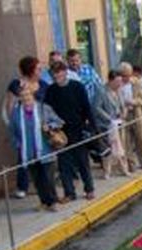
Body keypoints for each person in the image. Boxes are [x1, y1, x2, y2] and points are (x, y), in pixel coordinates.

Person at [44, 61, 96, 202]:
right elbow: (47, 110)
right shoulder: (51, 90)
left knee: (82, 161)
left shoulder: (77, 87)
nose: (57, 76)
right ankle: (69, 192)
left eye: (59, 72)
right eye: (54, 73)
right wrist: (49, 127)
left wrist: (91, 127)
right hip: (60, 131)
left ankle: (89, 189)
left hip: (78, 129)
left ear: (65, 72)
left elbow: (87, 107)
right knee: (64, 163)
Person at [8, 84, 61, 213]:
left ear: (32, 95)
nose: (25, 98)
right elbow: (12, 131)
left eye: (27, 95)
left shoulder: (43, 109)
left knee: (48, 178)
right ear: (19, 98)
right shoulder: (16, 113)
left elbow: (59, 121)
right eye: (22, 96)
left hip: (45, 149)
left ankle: (52, 201)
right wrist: (18, 145)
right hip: (28, 151)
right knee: (37, 179)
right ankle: (43, 201)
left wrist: (49, 126)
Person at [93, 70, 130, 178]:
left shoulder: (118, 91)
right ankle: (107, 171)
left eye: (120, 81)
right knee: (108, 150)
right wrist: (109, 119)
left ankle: (124, 169)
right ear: (110, 80)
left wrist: (124, 113)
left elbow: (122, 104)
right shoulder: (101, 91)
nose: (119, 84)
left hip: (118, 123)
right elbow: (96, 107)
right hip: (106, 125)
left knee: (120, 147)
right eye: (117, 81)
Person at [118, 63, 142, 172]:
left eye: (127, 75)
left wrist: (133, 102)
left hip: (136, 112)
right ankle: (131, 164)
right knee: (126, 140)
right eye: (123, 75)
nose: (125, 78)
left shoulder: (137, 83)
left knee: (140, 137)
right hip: (124, 114)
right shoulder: (118, 85)